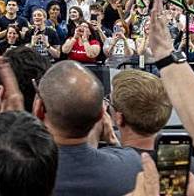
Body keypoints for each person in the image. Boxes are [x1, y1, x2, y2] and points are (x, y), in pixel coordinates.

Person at [35, 61, 141, 195]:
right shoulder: (131, 165)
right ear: (102, 115)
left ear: (39, 110)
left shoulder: (17, 173)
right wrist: (114, 142)